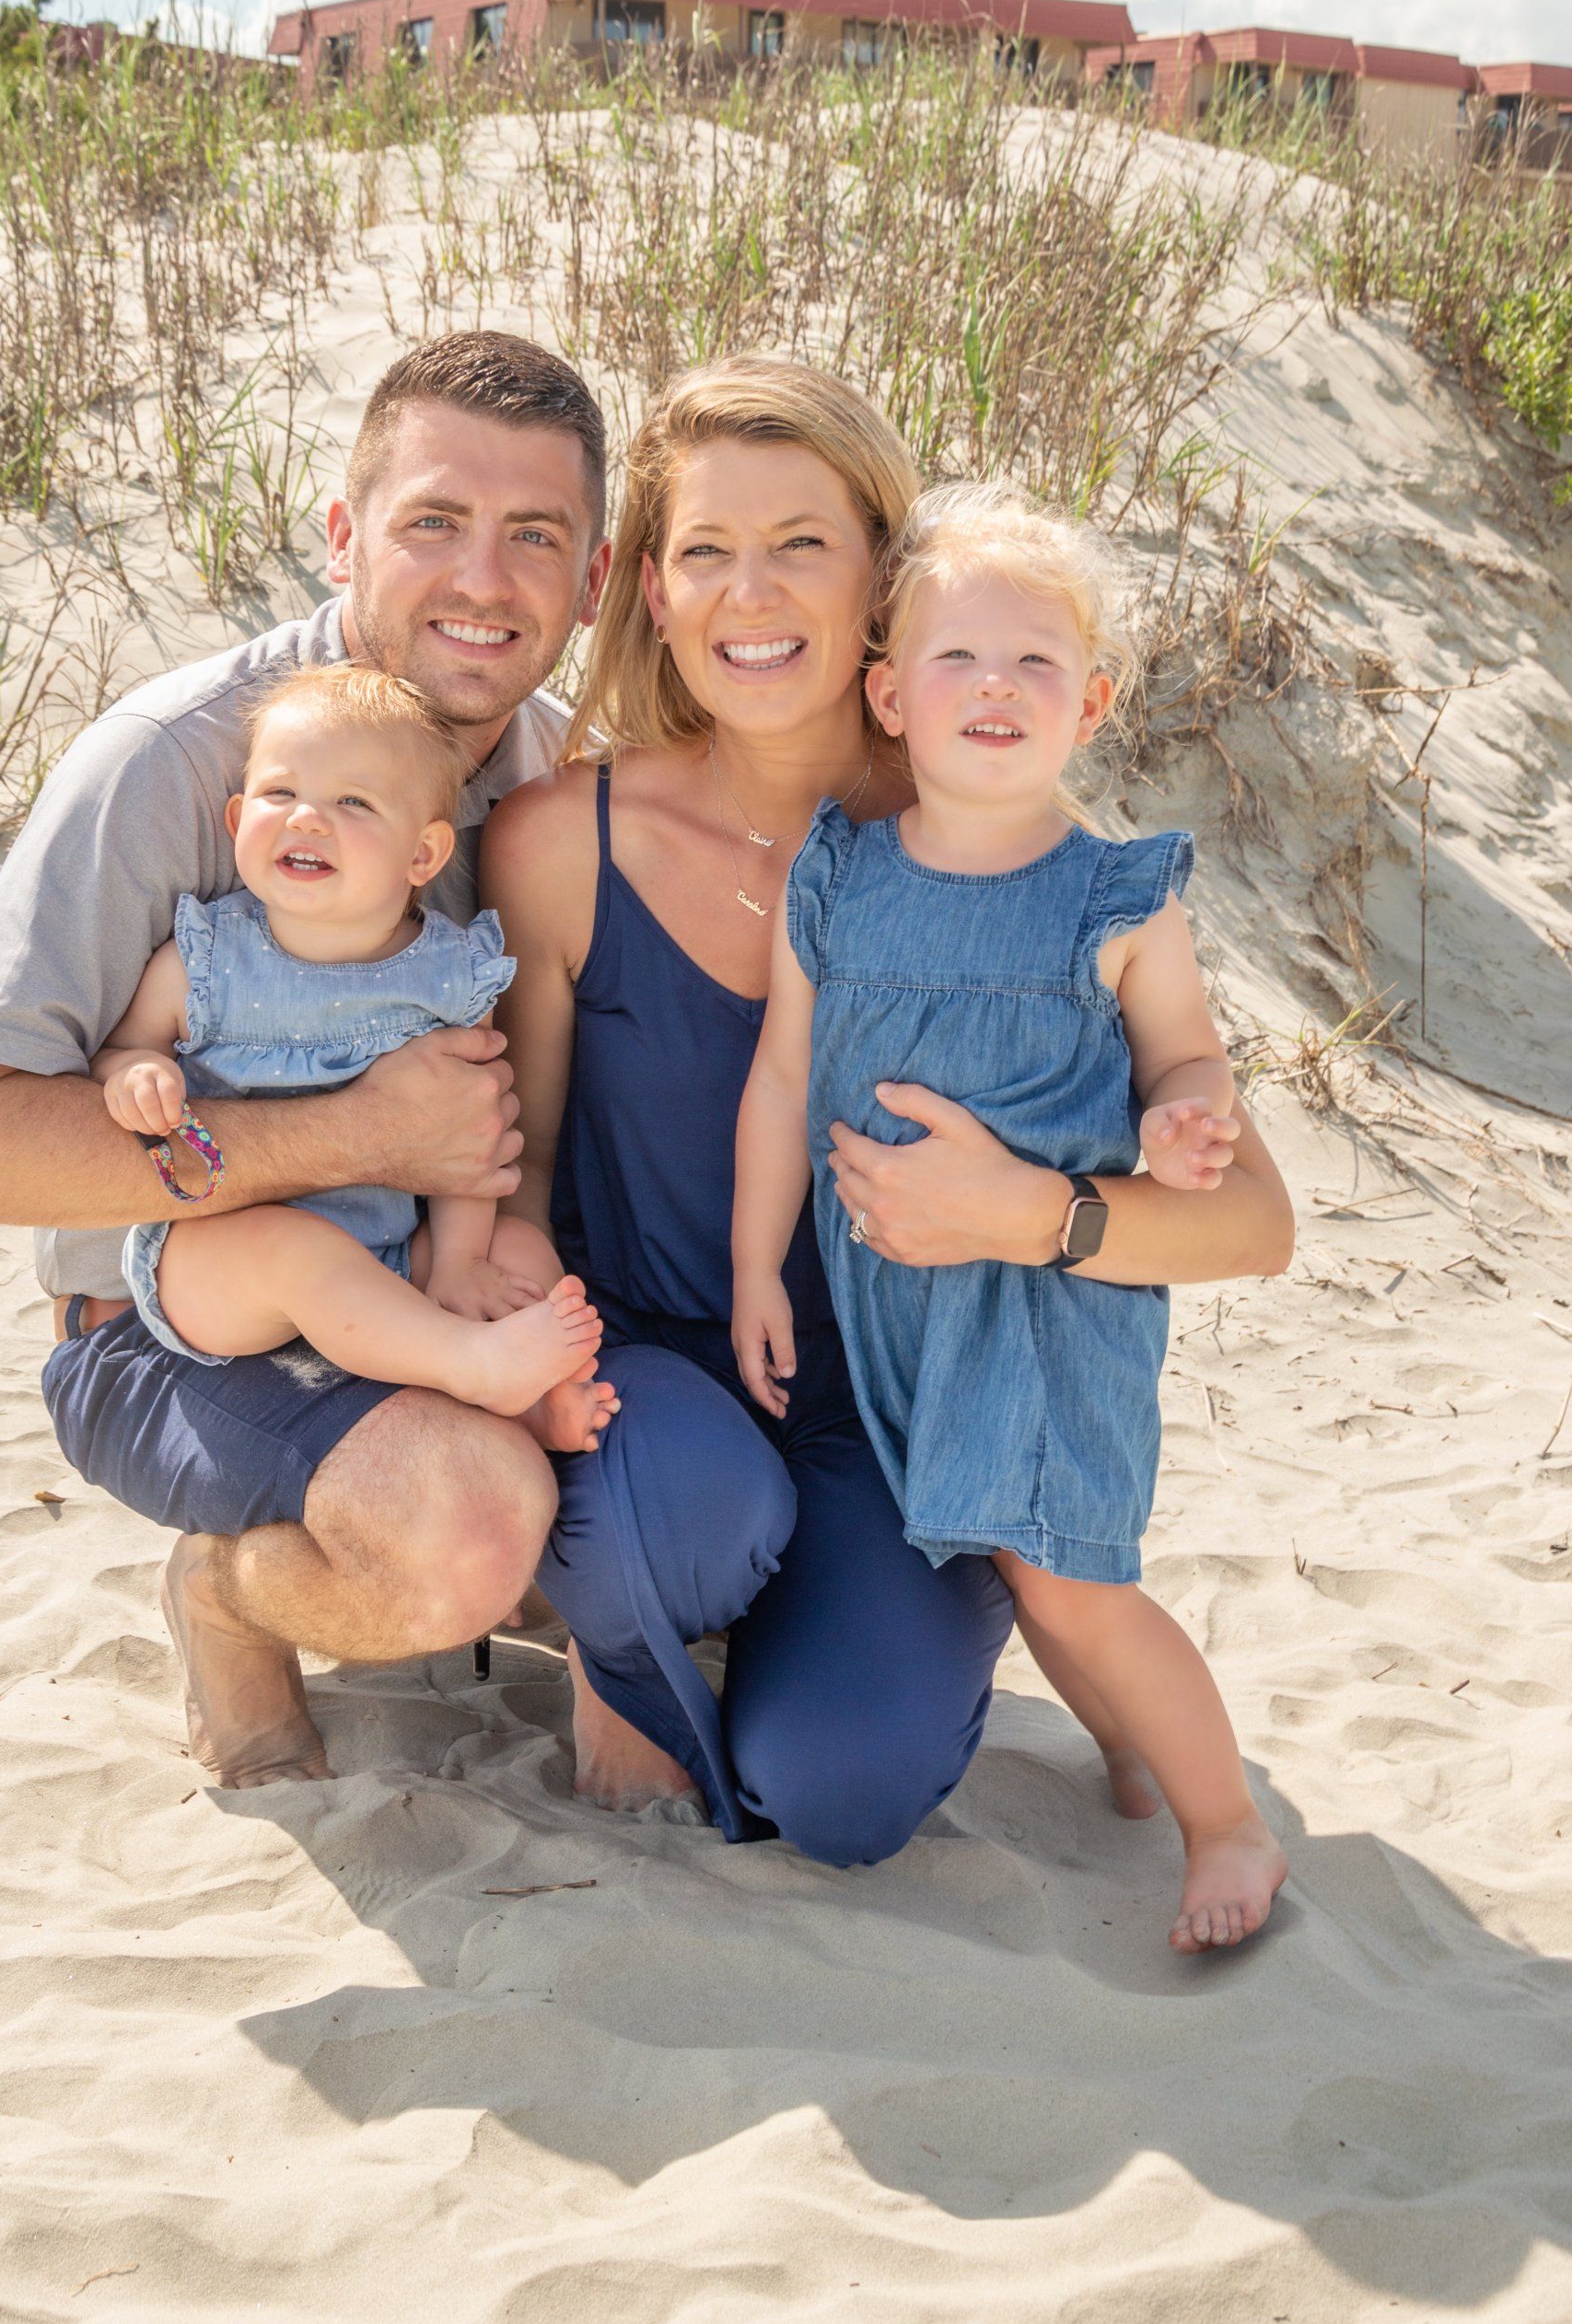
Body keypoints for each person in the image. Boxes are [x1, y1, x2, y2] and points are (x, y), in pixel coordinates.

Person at [483, 358, 1296, 1873]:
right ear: (651, 589)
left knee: (842, 1790)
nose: (752, 589)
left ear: (881, 584)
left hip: (915, 1406)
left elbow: (1254, 1220)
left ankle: (876, 1623)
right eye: (706, 548)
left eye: (803, 541)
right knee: (678, 1519)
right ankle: (624, 1624)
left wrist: (1037, 1215)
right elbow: (513, 1186)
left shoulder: (1001, 835)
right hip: (666, 1372)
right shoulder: (561, 841)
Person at [0, 332, 611, 1788]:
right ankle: (227, 1593)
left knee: (660, 1492)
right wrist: (357, 1133)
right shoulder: (190, 762)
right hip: (169, 1327)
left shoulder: (557, 779)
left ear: (593, 581)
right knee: (463, 1535)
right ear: (342, 536)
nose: (483, 579)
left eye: (535, 536)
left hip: (423, 1293)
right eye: (432, 523)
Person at [731, 480, 1287, 1948]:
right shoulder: (837, 877)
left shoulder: (1114, 892)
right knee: (1037, 1574)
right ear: (890, 694)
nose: (997, 687)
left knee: (1070, 1581)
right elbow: (784, 1071)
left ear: (1090, 701)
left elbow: (1185, 1050)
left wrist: (1184, 1112)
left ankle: (1228, 1823)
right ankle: (1126, 1746)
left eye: (1037, 663)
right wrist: (753, 1267)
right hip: (894, 1305)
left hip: (1049, 1310)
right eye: (959, 660)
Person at [98, 664, 615, 1443]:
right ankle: (470, 1365)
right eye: (280, 794)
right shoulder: (206, 960)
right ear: (237, 818)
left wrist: (459, 1261)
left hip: (387, 1253)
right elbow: (126, 1048)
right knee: (297, 1249)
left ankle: (539, 1396)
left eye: (354, 803)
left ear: (424, 855)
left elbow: (470, 1135)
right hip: (220, 1262)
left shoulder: (445, 976)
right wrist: (138, 1074)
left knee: (514, 1246)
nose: (306, 819)